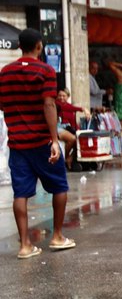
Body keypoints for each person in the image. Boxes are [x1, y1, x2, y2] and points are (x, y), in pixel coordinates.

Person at [0, 28, 76, 259]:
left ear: (19, 46)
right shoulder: (46, 70)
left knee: (20, 194)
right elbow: (49, 104)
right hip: (42, 141)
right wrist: (54, 139)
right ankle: (57, 236)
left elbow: (3, 105)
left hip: (18, 144)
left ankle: (24, 245)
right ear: (40, 46)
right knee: (59, 186)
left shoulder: (5, 72)